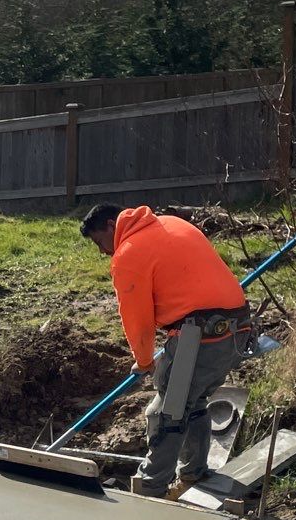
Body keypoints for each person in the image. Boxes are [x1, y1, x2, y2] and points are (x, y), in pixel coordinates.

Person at [80, 202, 250, 498]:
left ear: (111, 225)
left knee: (166, 413)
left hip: (196, 337)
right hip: (238, 330)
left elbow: (138, 321)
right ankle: (193, 473)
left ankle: (150, 488)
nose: (102, 251)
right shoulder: (172, 223)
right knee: (192, 401)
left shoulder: (129, 253)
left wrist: (144, 361)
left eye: (99, 242)